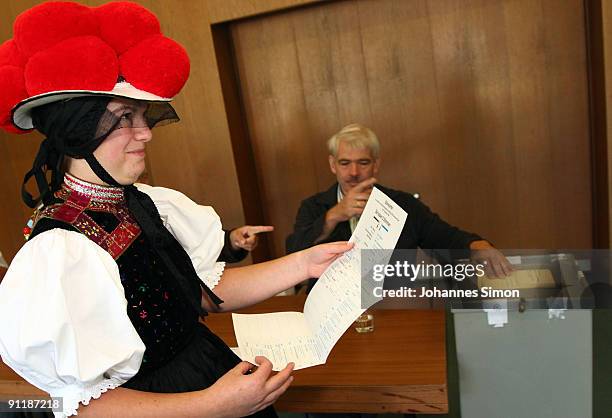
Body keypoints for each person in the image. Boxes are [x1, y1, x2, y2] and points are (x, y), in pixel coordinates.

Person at [0, 3, 352, 418]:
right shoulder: (61, 249)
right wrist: (214, 405)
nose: (146, 132)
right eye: (124, 119)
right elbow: (82, 406)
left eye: (143, 116)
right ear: (78, 131)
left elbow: (196, 293)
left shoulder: (140, 202)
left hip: (205, 377)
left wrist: (303, 263)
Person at [286, 123, 511, 282]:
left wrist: (477, 246)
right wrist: (333, 216)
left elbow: (445, 238)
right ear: (332, 164)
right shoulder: (313, 207)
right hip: (331, 312)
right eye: (345, 163)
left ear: (376, 164)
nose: (353, 172)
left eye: (363, 162)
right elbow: (294, 255)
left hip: (392, 305)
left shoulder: (402, 205)